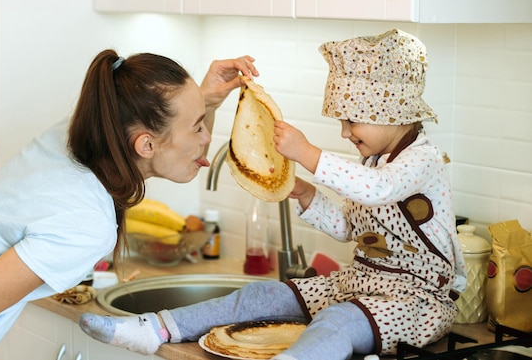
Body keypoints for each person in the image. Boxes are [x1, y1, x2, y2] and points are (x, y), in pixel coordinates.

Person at [78, 29, 467, 360]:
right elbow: (351, 229)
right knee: (262, 296)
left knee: (338, 322)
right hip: (361, 284)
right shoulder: (371, 163)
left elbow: (381, 190)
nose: (345, 132)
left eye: (351, 120)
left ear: (391, 113)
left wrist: (307, 153)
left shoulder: (423, 161)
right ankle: (156, 329)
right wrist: (304, 193)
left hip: (414, 304)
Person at [0, 49, 258, 360]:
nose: (207, 139)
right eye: (198, 127)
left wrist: (204, 103)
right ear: (145, 145)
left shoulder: (88, 127)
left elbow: (175, 144)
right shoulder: (88, 223)